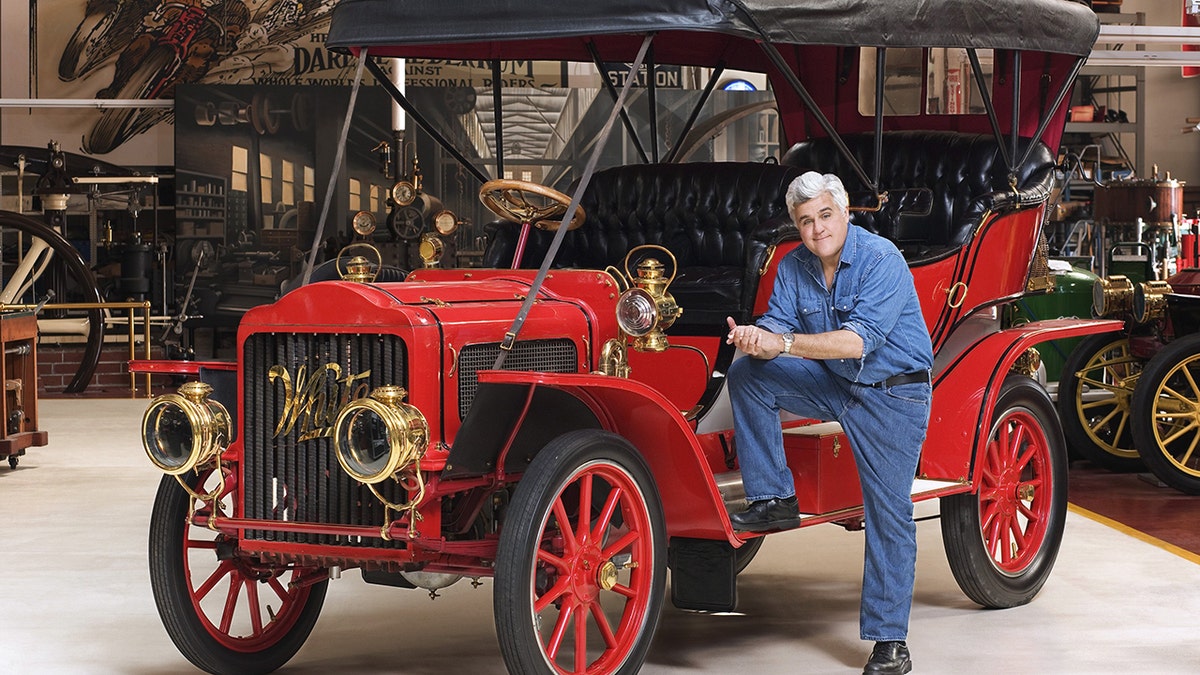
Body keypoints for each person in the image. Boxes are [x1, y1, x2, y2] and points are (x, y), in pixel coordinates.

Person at [725, 171, 933, 675]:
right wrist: (756, 337)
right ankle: (774, 498)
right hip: (837, 383)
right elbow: (778, 323)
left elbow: (859, 342)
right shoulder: (794, 265)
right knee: (747, 372)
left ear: (844, 213)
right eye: (805, 221)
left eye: (824, 215)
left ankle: (890, 643)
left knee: (888, 512)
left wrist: (786, 344)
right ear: (796, 228)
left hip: (893, 393)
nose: (817, 229)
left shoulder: (881, 258)